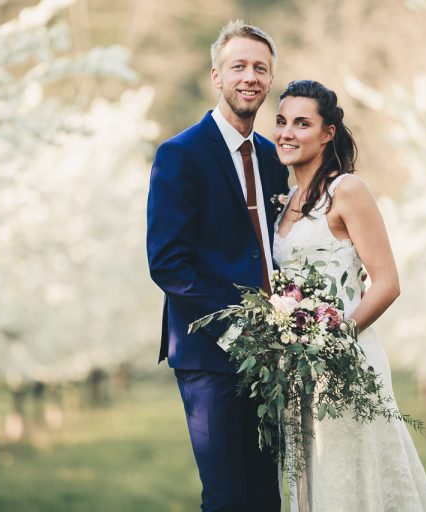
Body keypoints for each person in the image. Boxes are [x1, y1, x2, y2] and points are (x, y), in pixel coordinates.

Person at [272, 79, 426, 511]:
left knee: (353, 479)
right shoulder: (284, 200)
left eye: (302, 123)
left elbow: (387, 282)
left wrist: (335, 337)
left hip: (346, 359)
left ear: (328, 133)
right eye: (281, 121)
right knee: (314, 480)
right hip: (297, 369)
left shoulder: (346, 190)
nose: (287, 132)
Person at [146, 20, 289, 511]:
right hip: (210, 353)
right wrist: (235, 329)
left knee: (266, 495)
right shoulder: (179, 155)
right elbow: (167, 262)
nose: (250, 77)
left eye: (260, 68)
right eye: (239, 66)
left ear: (270, 80)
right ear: (216, 76)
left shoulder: (273, 158)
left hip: (274, 355)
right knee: (227, 498)